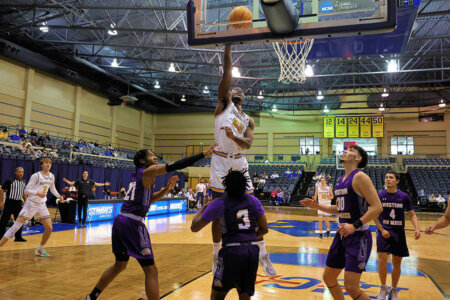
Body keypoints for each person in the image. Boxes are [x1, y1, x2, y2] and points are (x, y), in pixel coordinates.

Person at [85, 145, 214, 300]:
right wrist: (203, 154)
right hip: (132, 223)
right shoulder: (147, 172)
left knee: (120, 265)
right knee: (151, 270)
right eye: (151, 155)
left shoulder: (139, 176)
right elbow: (176, 165)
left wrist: (167, 189)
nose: (155, 157)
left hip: (121, 221)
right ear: (142, 160)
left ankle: (92, 296)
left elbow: (149, 200)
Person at [209, 44, 275, 277]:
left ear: (245, 98)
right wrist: (228, 47)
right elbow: (227, 73)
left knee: (252, 206)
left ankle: (263, 254)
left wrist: (234, 136)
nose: (237, 89)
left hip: (239, 161)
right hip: (219, 161)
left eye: (241, 89)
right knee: (217, 210)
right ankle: (217, 254)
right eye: (234, 88)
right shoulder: (223, 105)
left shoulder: (248, 120)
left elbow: (248, 144)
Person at [301, 145, 382, 300]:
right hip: (341, 235)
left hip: (359, 236)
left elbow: (377, 207)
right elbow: (338, 209)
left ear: (358, 158)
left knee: (351, 287)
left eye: (351, 151)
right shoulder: (339, 181)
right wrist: (317, 206)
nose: (345, 151)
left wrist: (354, 225)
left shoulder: (360, 177)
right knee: (329, 278)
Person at [191, 170, 269, 300]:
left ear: (225, 185)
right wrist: (247, 238)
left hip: (231, 252)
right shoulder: (254, 201)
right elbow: (264, 229)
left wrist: (204, 207)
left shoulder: (219, 203)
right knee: (244, 295)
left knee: (217, 296)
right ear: (245, 185)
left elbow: (195, 227)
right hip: (251, 252)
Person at [0, 158, 64, 256]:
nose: (48, 164)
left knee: (49, 228)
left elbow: (52, 188)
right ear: (42, 165)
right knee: (15, 226)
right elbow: (26, 190)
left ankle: (40, 249)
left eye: (49, 163)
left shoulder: (52, 176)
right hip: (31, 204)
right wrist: (37, 193)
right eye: (46, 163)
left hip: (42, 205)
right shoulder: (36, 175)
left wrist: (59, 196)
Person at [374, 171, 421, 300]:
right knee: (382, 259)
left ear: (397, 181)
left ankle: (393, 290)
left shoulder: (404, 196)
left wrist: (417, 228)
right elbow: (374, 216)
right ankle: (383, 288)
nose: (388, 180)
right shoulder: (379, 195)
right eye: (386, 177)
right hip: (383, 231)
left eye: (391, 178)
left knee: (397, 262)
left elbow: (412, 214)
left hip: (398, 233)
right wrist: (381, 229)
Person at [0, 167, 28, 242]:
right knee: (4, 220)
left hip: (19, 203)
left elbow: (24, 193)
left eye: (22, 172)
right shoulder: (9, 180)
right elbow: (2, 191)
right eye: (19, 172)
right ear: (15, 172)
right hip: (9, 202)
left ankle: (18, 237)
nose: (21, 173)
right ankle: (0, 236)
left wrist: (27, 203)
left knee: (19, 221)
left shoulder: (24, 181)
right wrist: (0, 202)